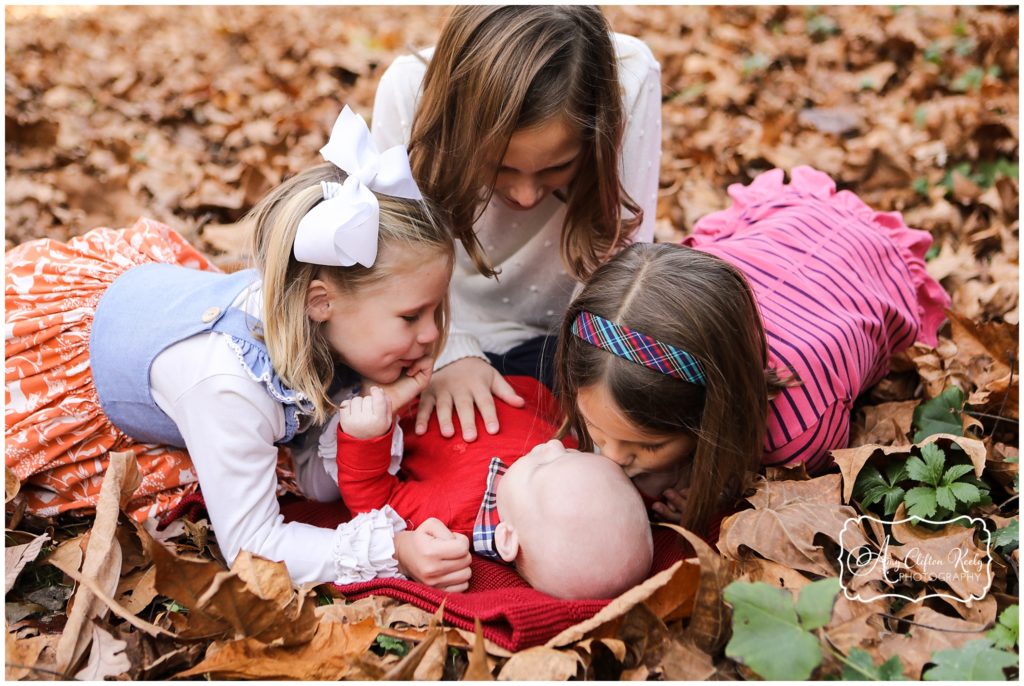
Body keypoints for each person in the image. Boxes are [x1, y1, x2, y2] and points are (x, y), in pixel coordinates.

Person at [5, 106, 473, 591]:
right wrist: (391, 550)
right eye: (411, 316)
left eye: (435, 312)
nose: (431, 335)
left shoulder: (328, 328)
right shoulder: (233, 390)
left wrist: (368, 426)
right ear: (321, 302)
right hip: (58, 363)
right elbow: (252, 547)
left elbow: (316, 480)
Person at [556, 166, 951, 537]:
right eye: (598, 430)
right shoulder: (674, 304)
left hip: (864, 259)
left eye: (650, 444)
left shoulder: (797, 430)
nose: (613, 459)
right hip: (775, 236)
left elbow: (791, 487)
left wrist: (728, 489)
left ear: (716, 411)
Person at [371, 5, 662, 441]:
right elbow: (390, 261)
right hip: (435, 333)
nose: (526, 195)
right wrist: (448, 352)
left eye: (556, 168)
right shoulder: (408, 90)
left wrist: (589, 372)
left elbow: (621, 260)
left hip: (569, 338)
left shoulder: (630, 77)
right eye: (499, 167)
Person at [333, 375, 654, 600]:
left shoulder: (449, 518)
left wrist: (366, 437)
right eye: (573, 453)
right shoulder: (575, 486)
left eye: (544, 466)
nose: (553, 447)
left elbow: (373, 503)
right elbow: (612, 507)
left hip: (394, 395)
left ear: (507, 537)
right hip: (488, 373)